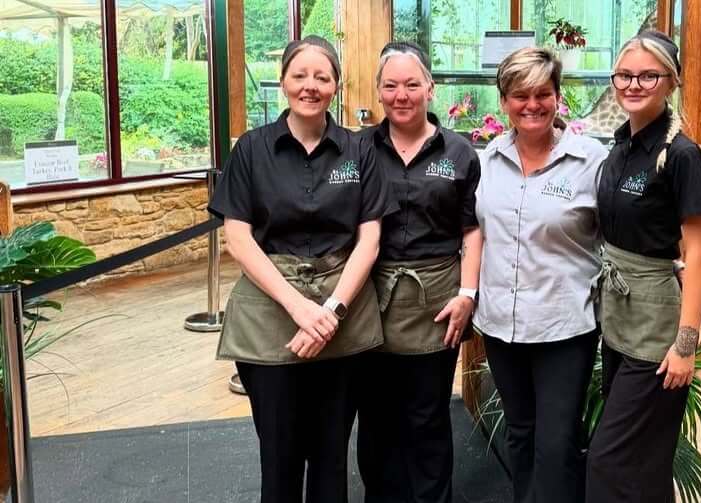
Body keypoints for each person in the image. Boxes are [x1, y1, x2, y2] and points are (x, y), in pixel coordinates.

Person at [208, 35, 393, 503]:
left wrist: (330, 310)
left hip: (343, 312)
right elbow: (238, 238)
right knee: (280, 454)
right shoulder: (251, 150)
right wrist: (300, 308)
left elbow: (369, 240)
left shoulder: (359, 151)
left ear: (336, 85)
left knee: (331, 454)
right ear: (283, 81)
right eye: (300, 75)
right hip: (270, 311)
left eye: (322, 77)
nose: (310, 85)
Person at [473, 46, 608, 503]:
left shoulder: (590, 161)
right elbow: (475, 234)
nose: (532, 105)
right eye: (520, 95)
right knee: (520, 433)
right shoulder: (487, 160)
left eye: (542, 94)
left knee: (556, 443)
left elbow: (620, 230)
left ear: (557, 97)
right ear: (503, 101)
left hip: (563, 326)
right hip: (502, 325)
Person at [586, 30, 701, 503]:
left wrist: (685, 346)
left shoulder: (681, 156)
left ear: (671, 82)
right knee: (646, 462)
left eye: (648, 76)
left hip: (656, 329)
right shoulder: (620, 147)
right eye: (624, 75)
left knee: (608, 460)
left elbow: (698, 253)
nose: (633, 85)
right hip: (620, 320)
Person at [356, 41, 482, 503]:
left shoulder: (460, 153)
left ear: (430, 88)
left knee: (427, 414)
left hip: (437, 299)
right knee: (375, 415)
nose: (401, 95)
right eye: (391, 85)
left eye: (412, 84)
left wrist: (467, 293)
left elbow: (472, 230)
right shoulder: (357, 150)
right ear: (379, 91)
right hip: (371, 297)